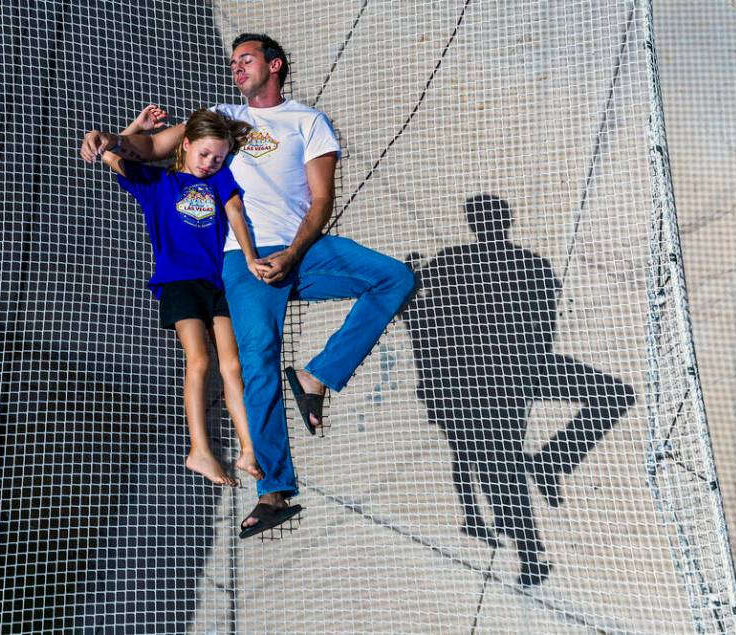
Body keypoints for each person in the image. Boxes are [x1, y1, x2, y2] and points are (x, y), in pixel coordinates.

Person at [80, 34, 416, 538]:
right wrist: (110, 139)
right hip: (242, 260)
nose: (236, 67)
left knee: (394, 277)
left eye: (247, 59)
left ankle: (317, 376)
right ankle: (274, 491)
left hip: (299, 250)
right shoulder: (219, 117)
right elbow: (150, 148)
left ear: (274, 65)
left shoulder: (308, 122)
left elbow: (321, 200)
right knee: (255, 358)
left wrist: (294, 253)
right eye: (233, 61)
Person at [401, 194, 635, 587]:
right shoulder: (532, 266)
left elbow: (422, 319)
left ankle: (548, 474)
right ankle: (534, 533)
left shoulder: (450, 261)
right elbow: (544, 330)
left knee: (500, 463)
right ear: (505, 223)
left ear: (474, 224)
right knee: (608, 397)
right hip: (507, 373)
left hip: (472, 377)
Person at [81, 107, 273, 504]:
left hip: (216, 281)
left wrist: (251, 257)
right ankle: (200, 450)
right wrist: (134, 129)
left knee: (232, 363)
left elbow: (235, 212)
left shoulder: (219, 178)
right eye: (204, 155)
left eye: (218, 157)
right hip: (178, 282)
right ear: (184, 146)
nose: (210, 164)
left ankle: (248, 446)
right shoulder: (156, 182)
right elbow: (113, 152)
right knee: (199, 360)